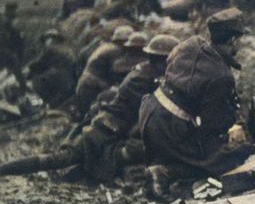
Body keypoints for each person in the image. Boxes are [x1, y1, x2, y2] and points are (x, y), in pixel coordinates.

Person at [0, 34, 180, 182]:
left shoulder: (146, 73)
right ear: (162, 59)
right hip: (106, 130)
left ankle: (86, 171)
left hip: (111, 128)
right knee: (61, 159)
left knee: (73, 158)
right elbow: (147, 111)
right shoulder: (143, 78)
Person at [139, 8, 253, 183]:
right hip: (168, 127)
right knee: (225, 159)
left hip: (150, 111)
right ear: (232, 40)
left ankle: (165, 161)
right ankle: (165, 172)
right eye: (239, 40)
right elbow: (214, 124)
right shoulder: (220, 75)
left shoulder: (192, 43)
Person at [74, 25, 133, 115]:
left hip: (87, 85)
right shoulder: (115, 51)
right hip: (92, 88)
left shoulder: (107, 46)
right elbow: (116, 72)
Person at [27, 29, 76, 108]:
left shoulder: (51, 49)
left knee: (36, 80)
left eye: (48, 39)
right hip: (71, 78)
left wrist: (29, 70)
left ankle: (51, 102)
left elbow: (38, 64)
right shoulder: (66, 48)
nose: (47, 42)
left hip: (63, 77)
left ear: (54, 39)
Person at [0, 2, 27, 93]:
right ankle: (23, 87)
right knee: (14, 64)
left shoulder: (11, 24)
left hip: (10, 51)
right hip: (5, 52)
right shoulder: (4, 25)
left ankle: (22, 87)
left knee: (14, 67)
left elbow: (18, 41)